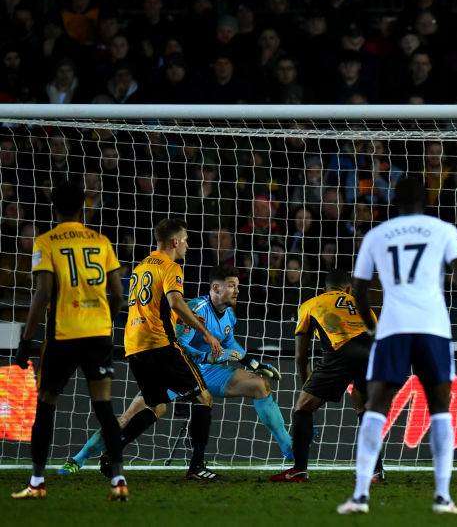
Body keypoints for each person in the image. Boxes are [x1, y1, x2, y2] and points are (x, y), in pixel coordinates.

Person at [338, 177, 457, 515]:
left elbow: (358, 291)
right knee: (440, 408)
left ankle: (360, 494)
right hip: (433, 327)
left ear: (395, 201)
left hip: (392, 328)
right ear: (426, 199)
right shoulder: (443, 230)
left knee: (375, 406)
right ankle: (443, 497)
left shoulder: (376, 235)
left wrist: (373, 327)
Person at [62, 265, 291, 474]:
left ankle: (288, 448)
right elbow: (178, 345)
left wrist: (255, 364)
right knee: (134, 414)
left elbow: (230, 344)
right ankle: (78, 458)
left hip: (209, 374)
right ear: (215, 288)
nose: (237, 291)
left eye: (237, 286)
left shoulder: (229, 315)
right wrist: (207, 356)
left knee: (260, 385)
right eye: (232, 286)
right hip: (179, 371)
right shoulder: (194, 309)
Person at [12, 181, 127, 501]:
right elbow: (118, 293)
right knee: (104, 408)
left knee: (46, 405)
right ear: (83, 207)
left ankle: (37, 482)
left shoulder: (46, 242)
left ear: (54, 208)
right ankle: (118, 480)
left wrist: (26, 339)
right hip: (98, 335)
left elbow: (43, 293)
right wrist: (105, 319)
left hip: (63, 335)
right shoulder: (101, 241)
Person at [109, 218, 224, 481]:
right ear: (174, 242)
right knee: (203, 398)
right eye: (185, 240)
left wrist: (184, 320)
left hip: (134, 346)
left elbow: (154, 307)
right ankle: (197, 466)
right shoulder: (171, 267)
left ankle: (113, 452)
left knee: (156, 404)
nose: (187, 245)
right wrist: (206, 334)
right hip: (160, 344)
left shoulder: (141, 267)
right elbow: (175, 301)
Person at [270, 269, 383, 483]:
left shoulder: (311, 304)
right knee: (364, 406)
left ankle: (299, 470)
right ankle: (376, 471)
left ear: (324, 289)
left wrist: (307, 385)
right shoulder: (362, 304)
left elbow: (301, 355)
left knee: (303, 407)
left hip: (342, 351)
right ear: (348, 290)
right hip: (373, 353)